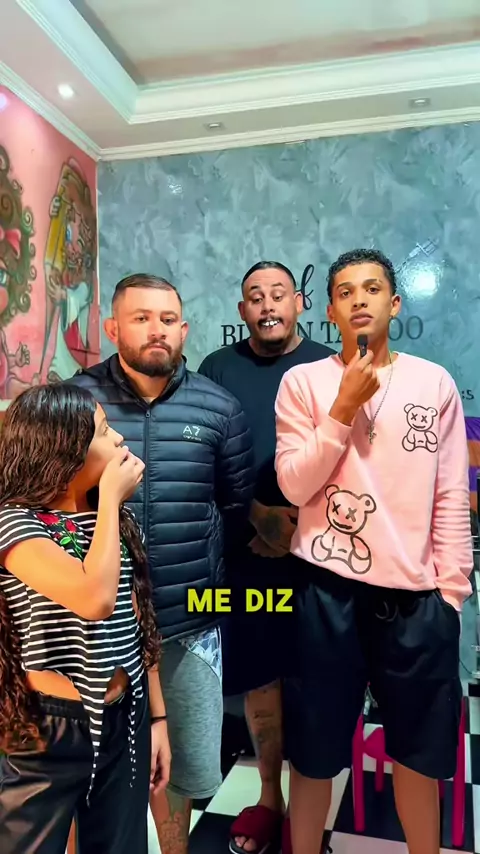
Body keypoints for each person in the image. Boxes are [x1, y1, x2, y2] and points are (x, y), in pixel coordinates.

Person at [274, 247, 473, 854]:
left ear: (395, 303)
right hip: (324, 594)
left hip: (416, 600)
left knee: (418, 755)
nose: (358, 299)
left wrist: (451, 594)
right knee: (313, 752)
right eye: (344, 291)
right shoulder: (303, 383)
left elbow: (450, 493)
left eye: (371, 288)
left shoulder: (433, 383)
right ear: (330, 311)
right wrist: (342, 407)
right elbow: (294, 486)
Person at [68, 273, 254, 854]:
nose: (157, 330)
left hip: (187, 623)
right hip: (95, 625)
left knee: (179, 772)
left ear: (184, 329)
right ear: (112, 327)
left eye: (168, 320)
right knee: (88, 775)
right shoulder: (75, 403)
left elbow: (236, 507)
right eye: (142, 318)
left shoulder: (219, 407)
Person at [198, 261, 334, 854]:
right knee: (261, 676)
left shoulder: (330, 366)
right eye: (255, 296)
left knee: (318, 676)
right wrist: (257, 518)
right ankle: (270, 797)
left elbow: (352, 460)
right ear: (242, 311)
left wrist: (297, 528)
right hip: (246, 553)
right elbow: (203, 460)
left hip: (322, 556)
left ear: (300, 302)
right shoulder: (217, 369)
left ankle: (311, 807)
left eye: (278, 294)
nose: (268, 305)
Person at [0, 383, 170, 854]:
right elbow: (93, 598)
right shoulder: (14, 522)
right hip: (47, 730)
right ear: (63, 447)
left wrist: (157, 718)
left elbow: (138, 622)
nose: (118, 438)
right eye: (102, 430)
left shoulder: (113, 520)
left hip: (125, 713)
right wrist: (111, 501)